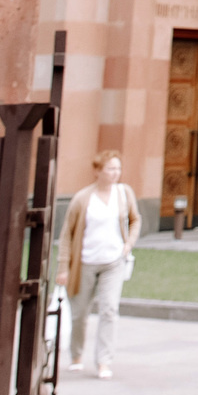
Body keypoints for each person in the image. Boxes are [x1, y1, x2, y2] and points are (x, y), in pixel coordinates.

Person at [62, 152, 141, 378]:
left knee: (109, 310)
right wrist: (63, 268)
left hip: (113, 262)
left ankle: (104, 361)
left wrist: (129, 243)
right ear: (97, 171)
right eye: (110, 169)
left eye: (118, 169)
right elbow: (67, 234)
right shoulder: (83, 198)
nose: (115, 173)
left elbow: (135, 219)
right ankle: (76, 355)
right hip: (85, 262)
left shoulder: (124, 193)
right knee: (79, 314)